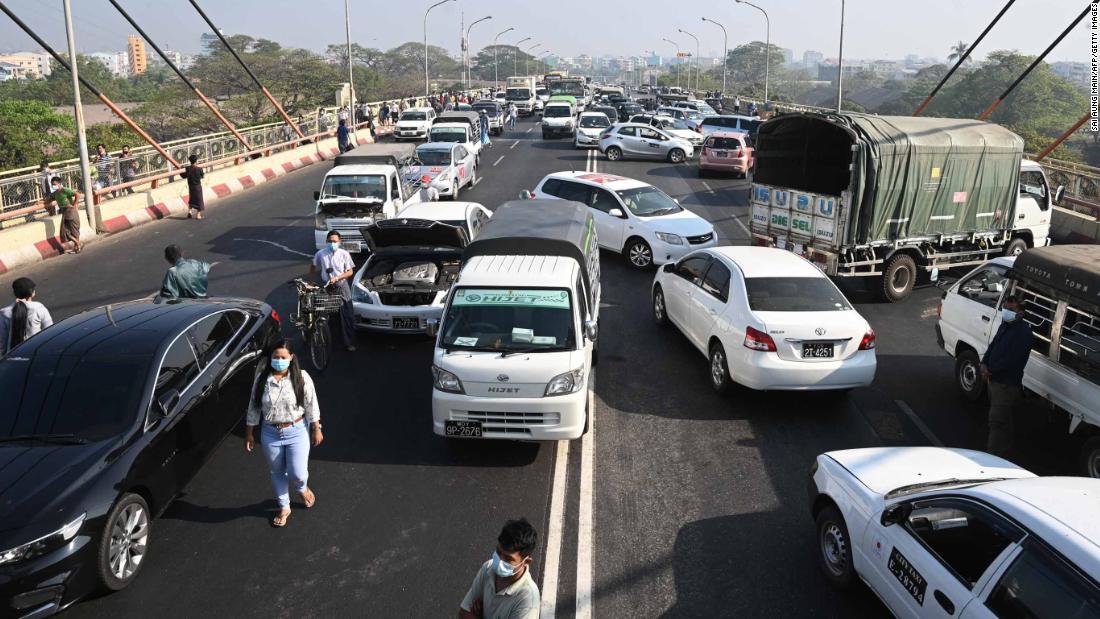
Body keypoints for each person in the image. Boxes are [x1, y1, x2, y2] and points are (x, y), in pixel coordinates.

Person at [245, 340, 323, 528]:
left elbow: (311, 404)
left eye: (283, 357)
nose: (279, 360)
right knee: (277, 471)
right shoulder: (262, 379)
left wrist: (316, 428)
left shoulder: (301, 378)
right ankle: (284, 506)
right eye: (275, 357)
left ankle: (302, 488)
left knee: (298, 473)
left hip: (297, 431)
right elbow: (253, 407)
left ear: (291, 358)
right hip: (270, 434)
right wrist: (249, 433)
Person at [980, 295, 1033, 457]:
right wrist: (984, 363)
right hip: (994, 381)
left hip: (1006, 385)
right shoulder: (1005, 326)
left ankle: (992, 457)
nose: (1006, 312)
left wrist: (991, 370)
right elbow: (993, 345)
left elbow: (1012, 359)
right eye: (1005, 308)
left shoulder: (1024, 333)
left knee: (996, 422)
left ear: (1021, 313)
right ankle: (1007, 452)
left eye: (1011, 310)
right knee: (1004, 422)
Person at [459, 518, 540, 619]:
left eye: (508, 559)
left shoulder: (527, 601)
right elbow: (464, 612)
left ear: (526, 562)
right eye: (498, 552)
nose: (499, 561)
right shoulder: (488, 567)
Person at [310, 230, 357, 352]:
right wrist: (310, 282)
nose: (332, 243)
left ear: (339, 242)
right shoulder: (321, 254)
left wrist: (337, 277)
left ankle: (348, 343)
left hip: (342, 286)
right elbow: (313, 266)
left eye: (335, 241)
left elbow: (350, 271)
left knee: (347, 315)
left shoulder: (344, 254)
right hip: (328, 287)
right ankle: (333, 342)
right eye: (330, 241)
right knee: (331, 315)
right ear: (326, 241)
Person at [0, 277, 53, 355]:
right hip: (37, 354)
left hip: (13, 357)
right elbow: (50, 332)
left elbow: (2, 342)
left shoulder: (4, 313)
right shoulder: (39, 308)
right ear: (32, 293)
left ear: (15, 293)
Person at [47, 176, 83, 254]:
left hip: (70, 211)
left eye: (55, 184)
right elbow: (48, 200)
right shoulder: (55, 193)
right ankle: (77, 245)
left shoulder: (65, 190)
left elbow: (77, 194)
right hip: (65, 212)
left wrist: (74, 204)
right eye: (52, 184)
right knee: (66, 232)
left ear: (59, 183)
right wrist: (39, 202)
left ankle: (78, 245)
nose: (54, 186)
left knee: (72, 231)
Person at [180, 154, 205, 220]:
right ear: (196, 161)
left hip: (191, 186)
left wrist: (181, 167)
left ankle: (190, 212)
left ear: (190, 161)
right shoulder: (199, 169)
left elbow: (183, 176)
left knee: (191, 199)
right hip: (197, 187)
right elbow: (202, 176)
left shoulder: (187, 168)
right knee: (199, 200)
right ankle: (198, 215)